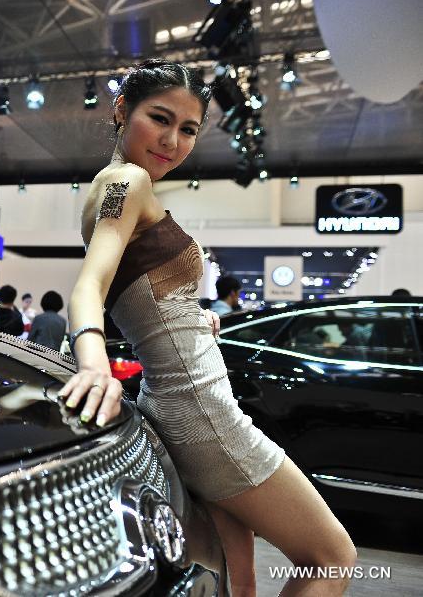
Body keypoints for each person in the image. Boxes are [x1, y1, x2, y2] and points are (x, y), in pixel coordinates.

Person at [59, 59, 355, 596]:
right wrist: (95, 365)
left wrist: (192, 321)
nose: (172, 140)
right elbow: (89, 286)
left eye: (189, 129)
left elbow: (141, 297)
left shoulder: (112, 189)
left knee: (237, 583)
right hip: (202, 412)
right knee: (332, 556)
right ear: (122, 110)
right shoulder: (128, 182)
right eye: (160, 118)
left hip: (182, 400)